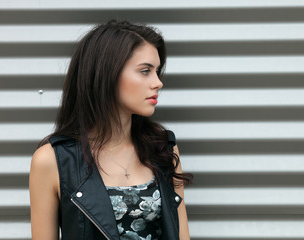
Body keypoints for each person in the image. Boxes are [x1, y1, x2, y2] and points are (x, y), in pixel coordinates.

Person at [29, 20, 192, 240]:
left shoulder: (162, 149)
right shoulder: (53, 160)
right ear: (107, 73)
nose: (158, 82)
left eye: (157, 71)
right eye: (145, 71)